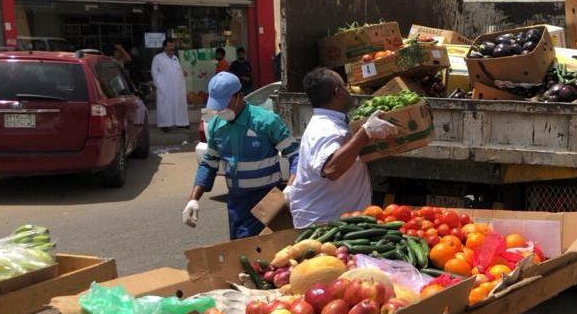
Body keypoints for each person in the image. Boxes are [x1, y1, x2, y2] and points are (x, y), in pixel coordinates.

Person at [183, 72, 299, 240]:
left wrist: (290, 187)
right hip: (236, 203)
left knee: (266, 254)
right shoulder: (216, 124)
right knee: (241, 250)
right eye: (217, 105)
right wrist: (193, 200)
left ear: (240, 96)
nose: (220, 110)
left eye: (225, 104)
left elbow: (295, 155)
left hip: (268, 200)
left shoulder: (266, 121)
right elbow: (209, 164)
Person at [287, 68, 398, 228]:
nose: (349, 90)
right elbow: (331, 169)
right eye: (346, 86)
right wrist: (365, 132)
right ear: (338, 92)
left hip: (335, 221)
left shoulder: (334, 123)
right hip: (322, 226)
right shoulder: (324, 129)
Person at [151, 38, 189, 131]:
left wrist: (183, 72)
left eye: (173, 45)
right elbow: (154, 72)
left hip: (177, 87)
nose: (172, 47)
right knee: (165, 106)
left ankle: (181, 123)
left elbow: (177, 70)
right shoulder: (158, 58)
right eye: (170, 46)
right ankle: (165, 125)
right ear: (165, 47)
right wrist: (158, 85)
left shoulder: (175, 58)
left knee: (179, 105)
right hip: (165, 87)